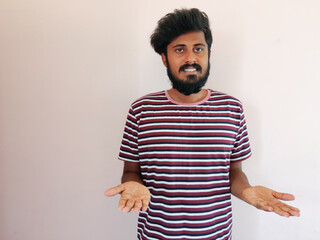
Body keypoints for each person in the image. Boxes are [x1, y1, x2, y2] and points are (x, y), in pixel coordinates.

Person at [105, 8, 300, 240]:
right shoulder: (141, 110)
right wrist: (133, 185)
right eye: (180, 50)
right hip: (155, 235)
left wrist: (247, 191)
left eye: (198, 49)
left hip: (216, 234)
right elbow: (130, 171)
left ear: (208, 53)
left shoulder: (232, 109)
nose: (191, 59)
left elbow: (234, 171)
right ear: (165, 58)